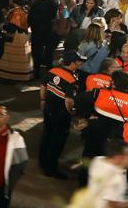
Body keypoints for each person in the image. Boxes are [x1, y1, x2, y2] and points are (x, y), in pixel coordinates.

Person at [38, 50, 86, 178]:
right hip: (61, 114)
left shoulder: (52, 71)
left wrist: (43, 101)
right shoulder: (71, 80)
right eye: (78, 61)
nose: (80, 63)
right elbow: (69, 101)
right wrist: (72, 112)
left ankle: (42, 162)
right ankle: (51, 168)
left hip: (48, 109)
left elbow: (43, 86)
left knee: (47, 135)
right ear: (71, 63)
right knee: (57, 141)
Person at [85, 138, 128, 208]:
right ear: (118, 157)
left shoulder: (97, 160)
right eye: (127, 155)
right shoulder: (115, 177)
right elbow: (111, 205)